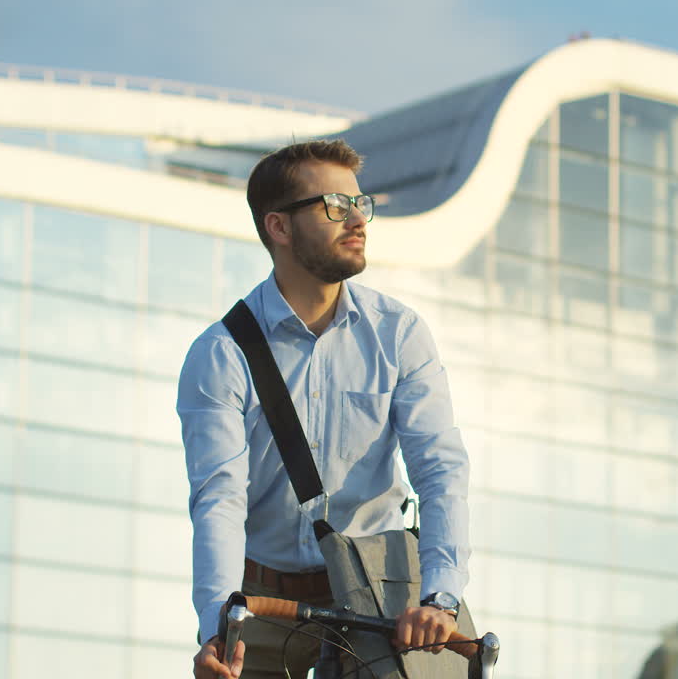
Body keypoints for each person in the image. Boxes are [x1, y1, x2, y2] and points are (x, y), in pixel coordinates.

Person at [179, 140, 471, 679]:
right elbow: (218, 498)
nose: (357, 219)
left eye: (362, 204)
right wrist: (218, 629)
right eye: (335, 205)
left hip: (381, 601)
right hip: (264, 604)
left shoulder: (398, 333)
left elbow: (440, 469)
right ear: (279, 227)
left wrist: (440, 598)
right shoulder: (221, 354)